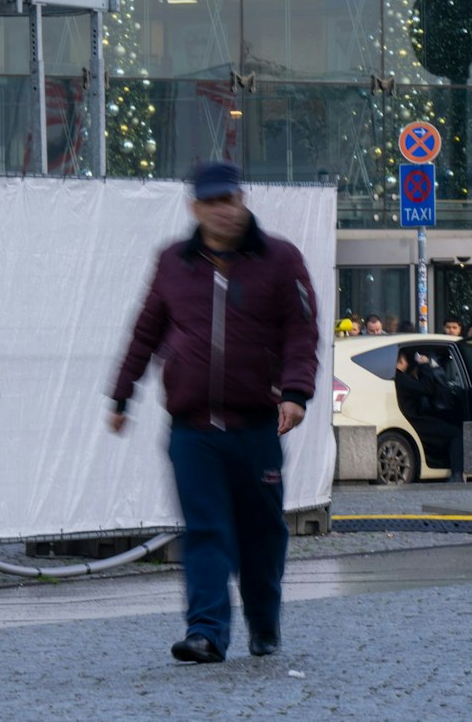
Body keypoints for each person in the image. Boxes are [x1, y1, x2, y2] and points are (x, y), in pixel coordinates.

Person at [109, 160, 320, 664]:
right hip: (192, 429)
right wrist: (121, 396)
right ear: (194, 207)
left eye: (229, 200)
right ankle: (206, 632)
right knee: (204, 530)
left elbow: (301, 333)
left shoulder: (281, 260)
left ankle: (263, 621)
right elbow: (146, 332)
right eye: (211, 202)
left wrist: (295, 392)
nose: (222, 211)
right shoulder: (172, 263)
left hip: (256, 427)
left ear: (242, 200)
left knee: (261, 536)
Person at [394, 348, 460, 470]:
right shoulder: (401, 379)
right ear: (402, 360)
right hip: (414, 421)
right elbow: (426, 388)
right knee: (455, 434)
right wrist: (425, 366)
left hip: (409, 420)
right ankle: (457, 473)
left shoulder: (396, 378)